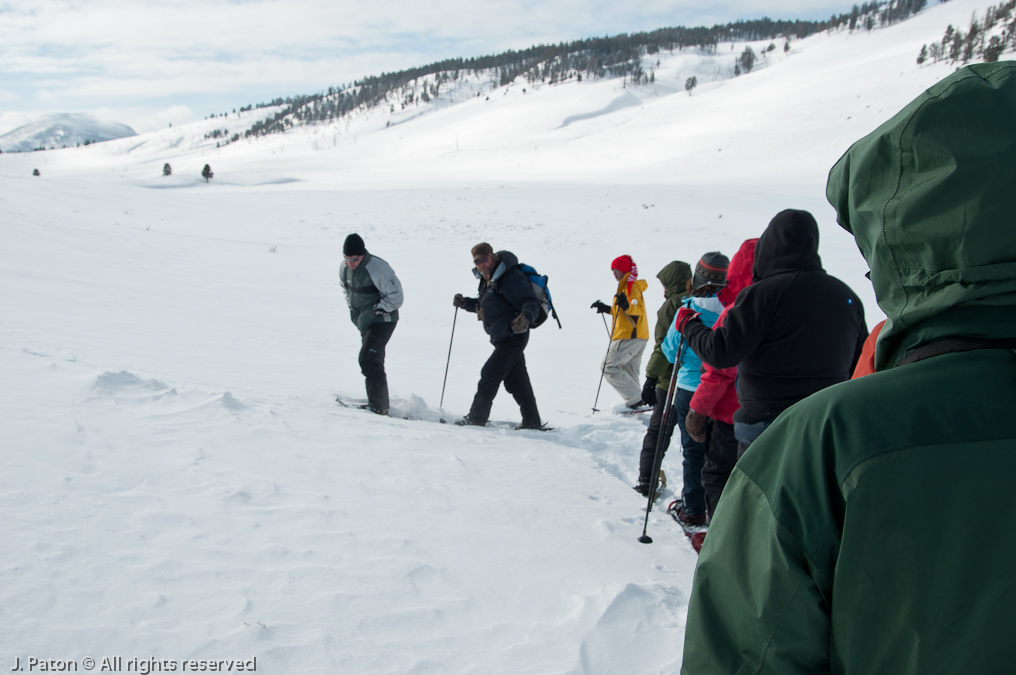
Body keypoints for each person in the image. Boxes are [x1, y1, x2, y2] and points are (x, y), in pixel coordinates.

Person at [681, 63, 1016, 674]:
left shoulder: (824, 442)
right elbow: (861, 352)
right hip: (830, 405)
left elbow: (725, 353)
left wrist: (693, 330)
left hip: (773, 424)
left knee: (751, 514)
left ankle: (721, 541)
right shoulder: (842, 295)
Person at [676, 209, 868, 458]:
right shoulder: (845, 295)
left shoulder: (761, 295)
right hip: (825, 424)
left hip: (766, 426)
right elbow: (861, 362)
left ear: (768, 246)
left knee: (758, 495)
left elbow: (721, 352)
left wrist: (690, 324)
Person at [684, 239, 757, 521]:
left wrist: (697, 411)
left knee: (718, 477)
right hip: (783, 416)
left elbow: (719, 370)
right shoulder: (788, 305)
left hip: (730, 416)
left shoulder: (737, 312)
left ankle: (720, 543)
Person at [659, 252, 728, 526]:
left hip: (689, 389)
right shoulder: (731, 310)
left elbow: (669, 350)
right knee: (719, 453)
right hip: (723, 391)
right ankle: (718, 510)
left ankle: (694, 509)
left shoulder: (687, 311)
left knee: (693, 452)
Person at [453, 243, 544, 429]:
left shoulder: (510, 276)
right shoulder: (488, 279)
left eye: (484, 259)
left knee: (489, 374)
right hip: (502, 337)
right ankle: (532, 422)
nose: (481, 264)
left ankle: (476, 419)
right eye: (477, 262)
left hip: (513, 335)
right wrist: (465, 304)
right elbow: (488, 305)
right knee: (517, 381)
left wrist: (526, 317)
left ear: (492, 256)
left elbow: (529, 301)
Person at [634, 260, 693, 496]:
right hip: (694, 383)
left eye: (664, 283)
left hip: (670, 382)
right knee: (696, 439)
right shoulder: (696, 300)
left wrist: (650, 377)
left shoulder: (672, 305)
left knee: (658, 432)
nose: (663, 288)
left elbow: (664, 346)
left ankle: (646, 480)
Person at [339, 233, 404, 415]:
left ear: (363, 254)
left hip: (383, 320)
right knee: (374, 360)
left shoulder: (378, 268)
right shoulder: (344, 268)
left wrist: (375, 311)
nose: (350, 262)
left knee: (368, 359)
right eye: (347, 258)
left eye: (354, 259)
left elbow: (396, 297)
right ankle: (379, 403)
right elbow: (346, 290)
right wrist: (355, 312)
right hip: (364, 321)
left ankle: (378, 406)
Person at [591, 255, 649, 409]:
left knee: (608, 366)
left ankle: (636, 398)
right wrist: (607, 309)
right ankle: (637, 405)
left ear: (623, 270)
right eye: (612, 271)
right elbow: (624, 312)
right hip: (636, 335)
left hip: (630, 336)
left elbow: (637, 310)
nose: (614, 273)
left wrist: (626, 305)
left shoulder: (632, 287)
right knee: (629, 370)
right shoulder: (625, 286)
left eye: (616, 270)